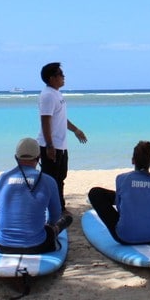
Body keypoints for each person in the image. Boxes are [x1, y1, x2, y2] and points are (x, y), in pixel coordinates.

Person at [0, 137, 73, 254]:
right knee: (65, 220)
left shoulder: (2, 178)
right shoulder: (48, 181)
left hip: (3, 246)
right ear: (39, 157)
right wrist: (49, 226)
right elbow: (55, 216)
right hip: (37, 246)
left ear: (16, 157)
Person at [88, 141, 150, 245]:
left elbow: (119, 207)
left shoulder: (122, 178)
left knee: (95, 193)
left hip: (124, 237)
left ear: (133, 160)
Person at [37, 62, 88, 211]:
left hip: (61, 145)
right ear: (52, 78)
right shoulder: (47, 96)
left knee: (60, 178)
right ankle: (53, 209)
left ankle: (59, 207)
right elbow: (45, 121)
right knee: (51, 180)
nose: (63, 76)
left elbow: (60, 118)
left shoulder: (56, 94)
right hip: (51, 145)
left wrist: (75, 130)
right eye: (60, 74)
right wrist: (49, 145)